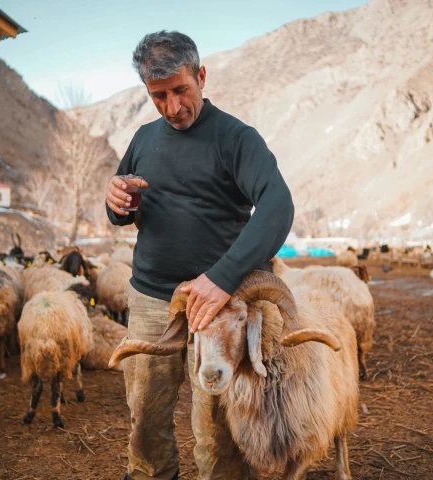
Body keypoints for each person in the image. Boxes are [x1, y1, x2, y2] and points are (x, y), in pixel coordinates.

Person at [105, 30, 294, 480]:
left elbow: (277, 204)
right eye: (159, 96)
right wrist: (117, 203)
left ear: (201, 76)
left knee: (217, 429)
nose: (172, 107)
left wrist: (224, 277)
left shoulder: (236, 138)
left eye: (181, 90)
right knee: (144, 420)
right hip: (152, 300)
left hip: (221, 307)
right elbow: (123, 209)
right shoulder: (143, 139)